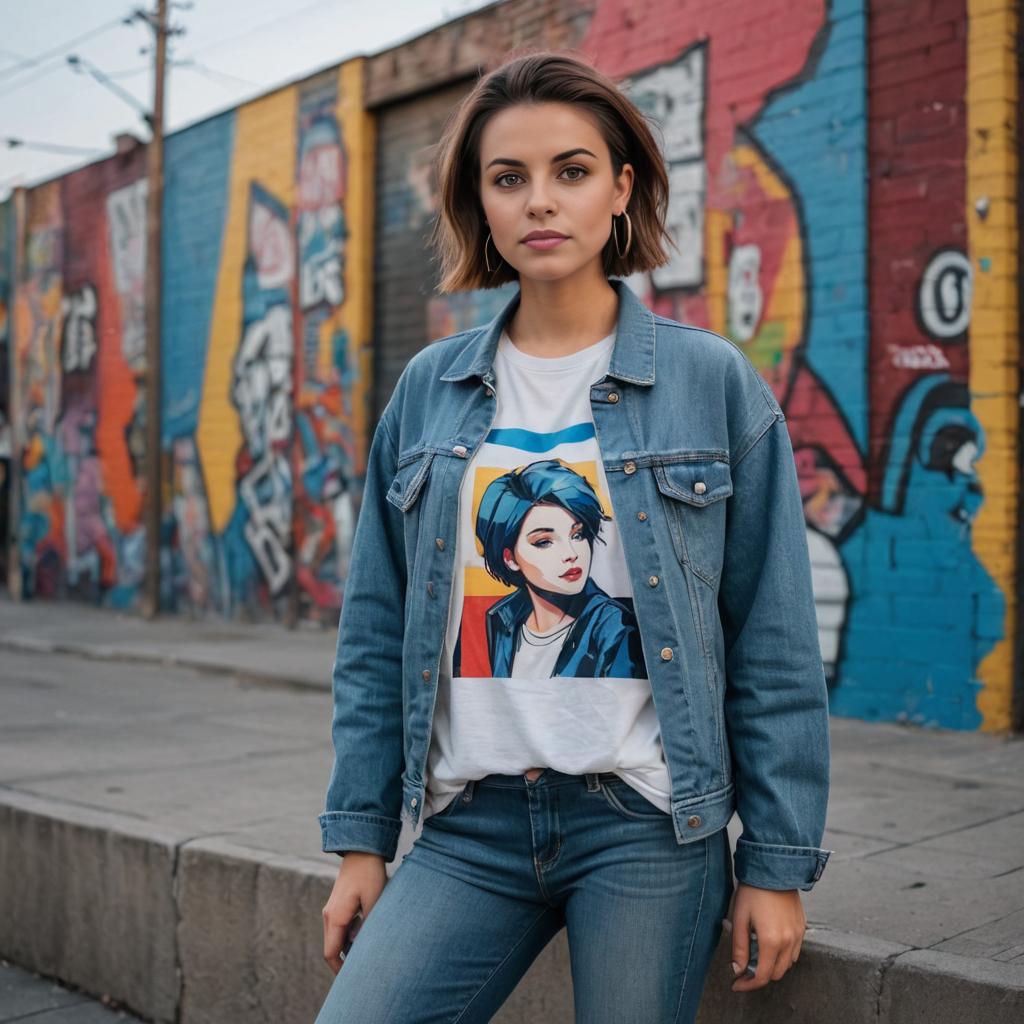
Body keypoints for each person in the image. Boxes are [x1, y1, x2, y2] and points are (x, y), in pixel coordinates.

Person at [315, 49, 832, 1024]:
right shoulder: (429, 387)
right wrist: (360, 841)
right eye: (508, 178)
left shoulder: (708, 381)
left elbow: (772, 638)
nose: (540, 202)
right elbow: (375, 631)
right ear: (480, 203)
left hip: (644, 824)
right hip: (473, 826)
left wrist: (775, 862)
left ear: (621, 188)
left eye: (572, 170)